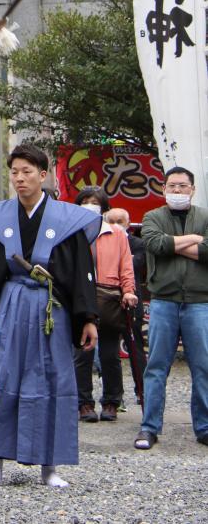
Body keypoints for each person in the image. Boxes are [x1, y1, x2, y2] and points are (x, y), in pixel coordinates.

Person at [0, 143, 101, 489]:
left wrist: (89, 318)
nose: (19, 179)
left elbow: (82, 271)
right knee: (3, 376)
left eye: (26, 172)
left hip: (53, 309)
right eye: (14, 172)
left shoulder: (68, 220)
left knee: (52, 379)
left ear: (43, 175)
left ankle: (50, 467)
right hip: (11, 306)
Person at [134, 166, 208, 450]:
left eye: (183, 186)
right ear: (163, 189)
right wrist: (194, 240)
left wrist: (174, 244)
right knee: (156, 366)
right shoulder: (153, 217)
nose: (177, 191)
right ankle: (149, 427)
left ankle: (204, 427)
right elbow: (155, 244)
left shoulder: (205, 216)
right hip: (163, 301)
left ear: (193, 189)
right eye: (172, 186)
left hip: (200, 302)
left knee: (203, 367)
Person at [73, 187, 137, 422]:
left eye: (95, 202)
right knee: (82, 354)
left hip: (109, 296)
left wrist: (128, 290)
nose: (90, 205)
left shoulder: (117, 233)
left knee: (110, 354)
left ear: (104, 207)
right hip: (80, 297)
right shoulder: (72, 232)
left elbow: (125, 265)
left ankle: (112, 401)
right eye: (85, 201)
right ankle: (84, 403)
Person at [105, 207, 148, 404]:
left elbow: (136, 264)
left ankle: (143, 391)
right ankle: (114, 397)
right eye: (111, 220)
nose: (115, 225)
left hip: (132, 300)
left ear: (128, 224)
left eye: (120, 221)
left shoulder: (138, 243)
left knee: (136, 348)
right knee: (109, 350)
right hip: (107, 302)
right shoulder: (100, 241)